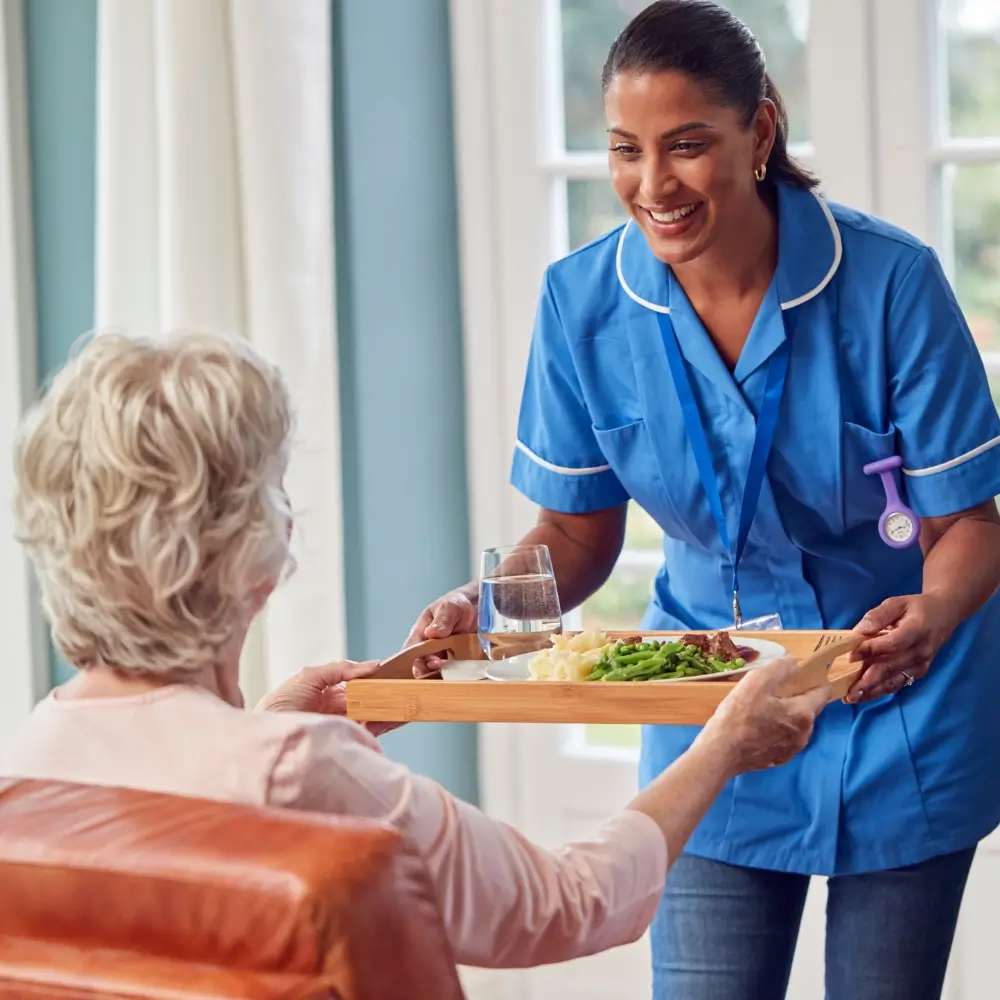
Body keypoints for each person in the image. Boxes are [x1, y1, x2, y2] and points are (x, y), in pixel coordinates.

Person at [406, 2, 1000, 997]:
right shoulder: (581, 303)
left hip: (898, 699)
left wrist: (933, 613)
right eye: (626, 151)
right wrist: (494, 606)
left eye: (686, 146)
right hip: (710, 710)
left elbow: (969, 527)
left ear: (759, 131)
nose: (652, 185)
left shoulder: (893, 284)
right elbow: (571, 530)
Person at [0, 330, 829, 971]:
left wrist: (259, 723)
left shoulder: (30, 763)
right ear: (249, 550)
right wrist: (721, 747)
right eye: (273, 485)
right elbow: (567, 905)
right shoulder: (299, 770)